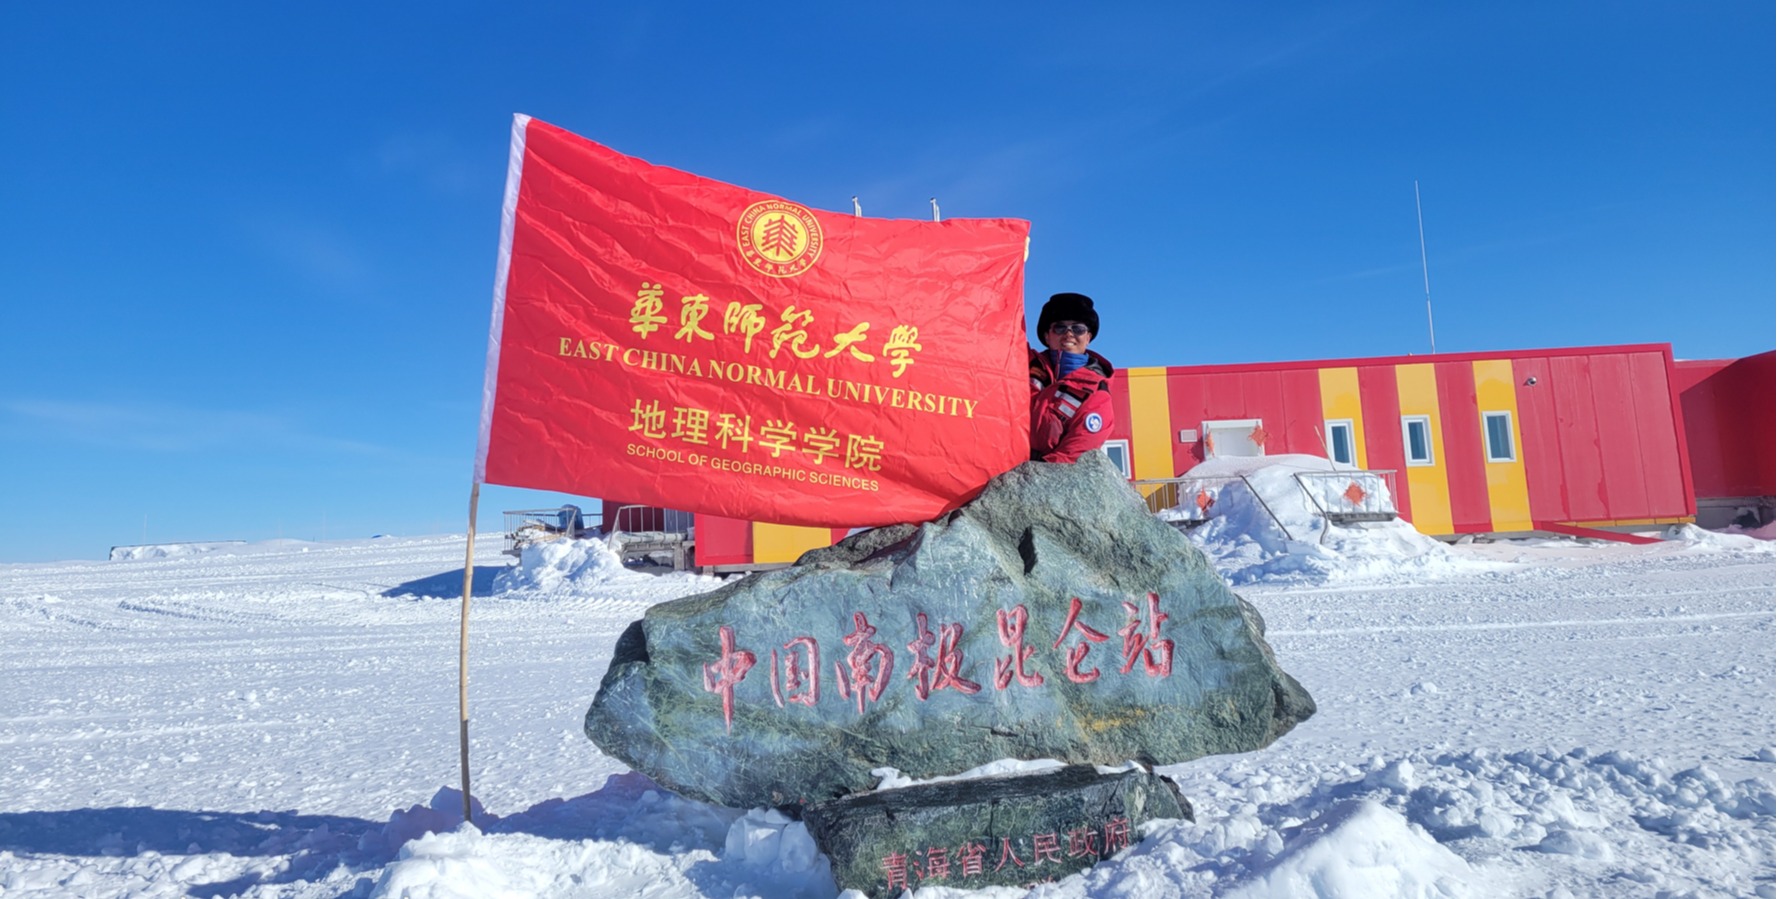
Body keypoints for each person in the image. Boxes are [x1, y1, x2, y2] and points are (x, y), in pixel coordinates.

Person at [1028, 292, 1116, 462]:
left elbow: (1071, 455)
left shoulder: (1097, 394)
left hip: (1042, 473)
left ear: (1088, 337)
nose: (1069, 334)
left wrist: (1026, 473)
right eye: (1060, 327)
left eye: (1078, 329)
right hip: (998, 461)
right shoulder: (1023, 363)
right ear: (1047, 336)